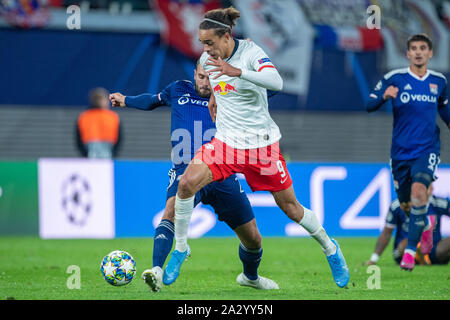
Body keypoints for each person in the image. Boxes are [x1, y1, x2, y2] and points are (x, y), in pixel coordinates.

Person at [164, 6, 349, 289]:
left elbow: (277, 81)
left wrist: (237, 71)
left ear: (226, 36)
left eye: (209, 42)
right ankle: (180, 248)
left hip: (261, 146)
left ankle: (330, 248)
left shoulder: (251, 53)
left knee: (291, 208)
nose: (205, 49)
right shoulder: (208, 58)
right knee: (186, 184)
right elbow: (217, 83)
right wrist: (215, 96)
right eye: (202, 43)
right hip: (225, 144)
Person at [109, 62, 279, 292]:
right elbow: (152, 100)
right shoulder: (178, 88)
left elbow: (272, 88)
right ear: (194, 74)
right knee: (170, 211)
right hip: (186, 172)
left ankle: (250, 277)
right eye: (201, 77)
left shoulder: (230, 93)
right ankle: (156, 272)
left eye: (211, 79)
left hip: (221, 173)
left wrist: (249, 59)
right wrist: (126, 100)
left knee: (253, 240)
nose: (205, 83)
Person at [366, 33, 449, 271]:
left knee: (419, 193)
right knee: (407, 204)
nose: (419, 52)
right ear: (408, 53)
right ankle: (418, 231)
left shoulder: (439, 81)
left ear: (430, 53)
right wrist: (384, 97)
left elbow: (444, 111)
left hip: (428, 149)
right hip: (400, 153)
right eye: (414, 48)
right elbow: (369, 104)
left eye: (423, 48)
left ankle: (411, 253)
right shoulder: (395, 78)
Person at [366, 189, 450, 266]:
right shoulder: (398, 205)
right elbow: (386, 233)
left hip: (434, 250)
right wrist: (373, 259)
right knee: (405, 244)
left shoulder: (438, 203)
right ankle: (420, 258)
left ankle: (426, 258)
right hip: (404, 250)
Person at [76, 87, 122, 159]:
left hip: (89, 156)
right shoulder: (113, 117)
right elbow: (119, 140)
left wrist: (85, 154)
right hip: (108, 155)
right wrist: (113, 154)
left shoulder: (84, 117)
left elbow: (79, 142)